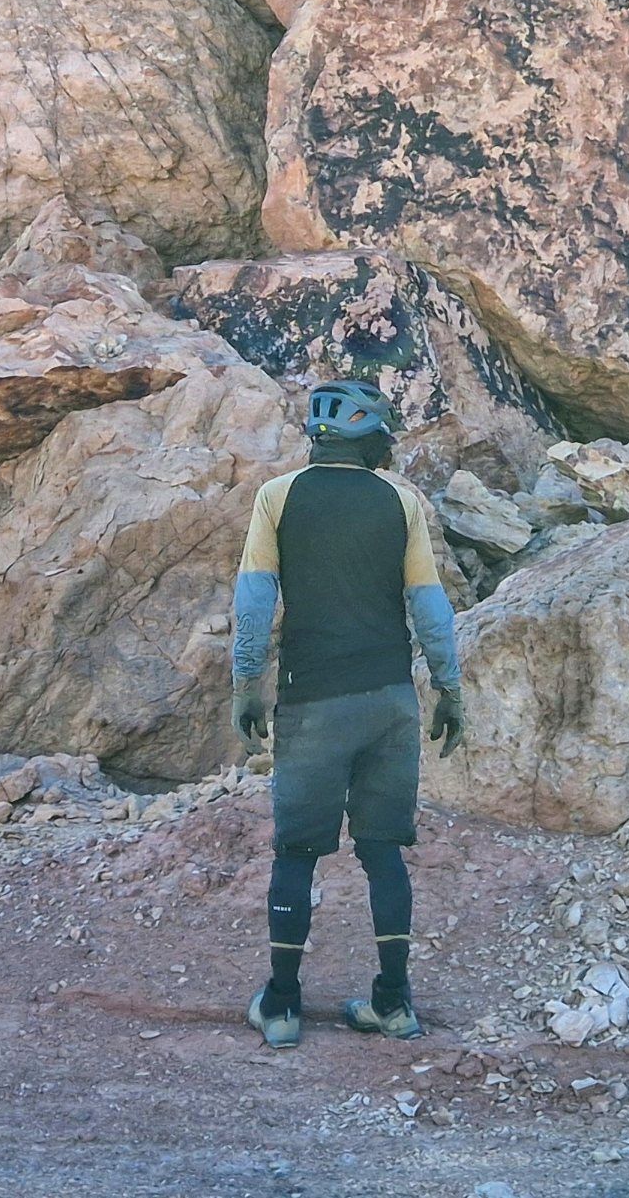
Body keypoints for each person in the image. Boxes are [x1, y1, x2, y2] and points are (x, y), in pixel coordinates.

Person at [229, 379, 467, 1050]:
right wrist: (449, 688)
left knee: (297, 852)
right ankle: (393, 1003)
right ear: (373, 438)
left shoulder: (277, 496)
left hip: (312, 700)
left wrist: (246, 683)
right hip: (389, 700)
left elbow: (254, 603)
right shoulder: (400, 501)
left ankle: (281, 1005)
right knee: (383, 850)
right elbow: (430, 607)